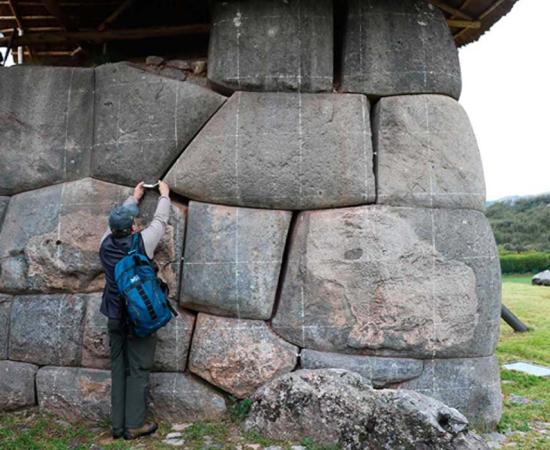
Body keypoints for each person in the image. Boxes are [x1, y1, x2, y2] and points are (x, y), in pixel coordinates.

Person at [99, 180, 171, 440]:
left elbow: (117, 222)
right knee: (138, 369)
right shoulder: (142, 242)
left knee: (118, 368)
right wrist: (164, 195)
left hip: (114, 316)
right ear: (132, 227)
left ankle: (117, 427)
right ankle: (133, 425)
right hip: (139, 318)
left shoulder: (105, 243)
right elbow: (160, 221)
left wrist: (133, 198)